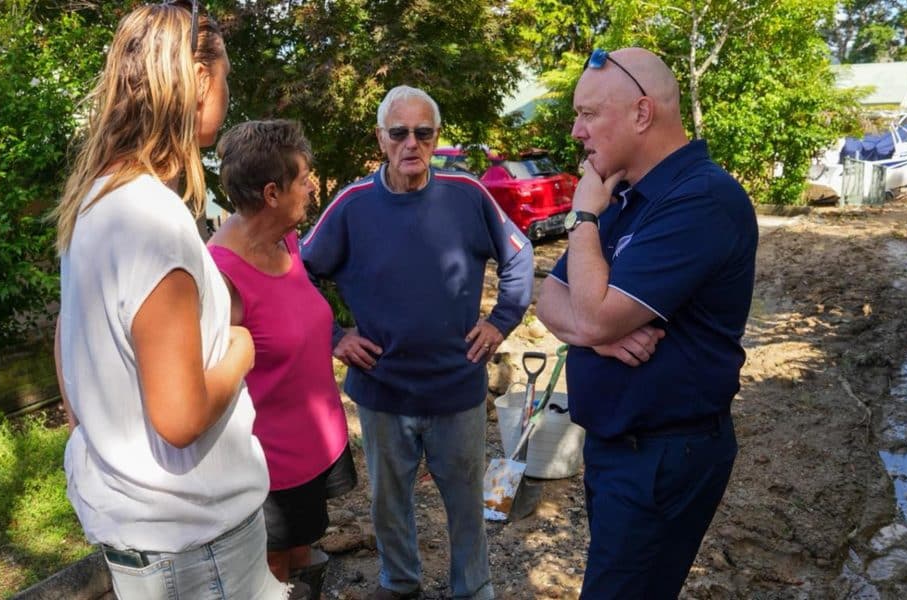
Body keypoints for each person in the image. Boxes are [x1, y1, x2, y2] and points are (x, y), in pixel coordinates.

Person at [52, 3, 288, 598]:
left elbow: (67, 336)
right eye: (226, 78)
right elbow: (181, 417)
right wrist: (238, 349)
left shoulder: (96, 200)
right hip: (197, 547)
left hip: (148, 537)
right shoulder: (152, 219)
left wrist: (103, 435)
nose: (228, 93)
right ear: (199, 80)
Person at [535, 48, 758, 598]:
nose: (575, 131)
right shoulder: (625, 192)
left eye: (588, 114)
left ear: (641, 113)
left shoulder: (700, 199)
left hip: (663, 456)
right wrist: (598, 335)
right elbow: (550, 300)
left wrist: (583, 218)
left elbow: (589, 312)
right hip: (619, 448)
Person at [301, 85, 534, 600]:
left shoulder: (466, 194)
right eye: (400, 132)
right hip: (384, 391)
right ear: (381, 138)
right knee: (388, 502)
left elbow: (518, 256)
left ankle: (472, 588)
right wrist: (335, 336)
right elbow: (300, 272)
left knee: (466, 502)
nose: (412, 143)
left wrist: (501, 321)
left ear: (435, 138)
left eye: (423, 133)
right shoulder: (352, 204)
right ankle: (400, 582)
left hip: (457, 386)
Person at [207, 119, 357, 600]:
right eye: (304, 178)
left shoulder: (287, 239)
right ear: (272, 193)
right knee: (269, 572)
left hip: (314, 444)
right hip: (267, 468)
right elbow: (212, 382)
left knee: (302, 555)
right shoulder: (220, 276)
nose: (313, 186)